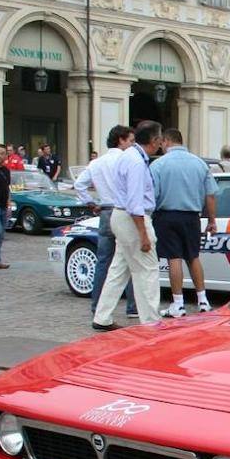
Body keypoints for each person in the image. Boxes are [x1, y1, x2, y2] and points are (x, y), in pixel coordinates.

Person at [93, 121, 164, 330]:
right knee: (148, 270)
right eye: (159, 139)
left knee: (119, 269)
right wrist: (143, 234)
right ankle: (151, 321)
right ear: (153, 141)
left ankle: (102, 316)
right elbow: (135, 203)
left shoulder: (129, 156)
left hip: (121, 216)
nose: (160, 143)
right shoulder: (135, 161)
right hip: (132, 219)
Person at [152, 128, 218, 318]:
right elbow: (211, 195)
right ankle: (203, 300)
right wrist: (212, 220)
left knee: (174, 258)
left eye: (162, 143)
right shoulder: (199, 163)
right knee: (193, 256)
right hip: (192, 216)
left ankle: (178, 304)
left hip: (167, 215)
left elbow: (152, 195)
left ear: (166, 141)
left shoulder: (158, 165)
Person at [75, 125, 137, 319]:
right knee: (129, 260)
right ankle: (133, 306)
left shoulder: (97, 163)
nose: (133, 145)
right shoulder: (127, 160)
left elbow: (79, 184)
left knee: (103, 261)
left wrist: (90, 203)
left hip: (105, 211)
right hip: (124, 212)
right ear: (121, 140)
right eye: (131, 141)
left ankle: (97, 305)